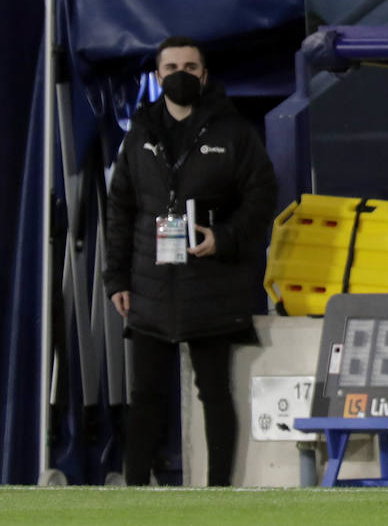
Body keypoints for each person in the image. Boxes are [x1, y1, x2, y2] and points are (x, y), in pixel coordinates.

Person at [104, 36, 277, 486]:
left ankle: (217, 496)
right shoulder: (139, 132)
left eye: (190, 65)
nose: (181, 73)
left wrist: (223, 238)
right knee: (145, 397)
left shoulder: (234, 133)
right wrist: (116, 277)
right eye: (172, 66)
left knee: (215, 392)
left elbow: (262, 200)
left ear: (204, 74)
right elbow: (120, 208)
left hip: (214, 284)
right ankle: (134, 496)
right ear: (157, 76)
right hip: (150, 283)